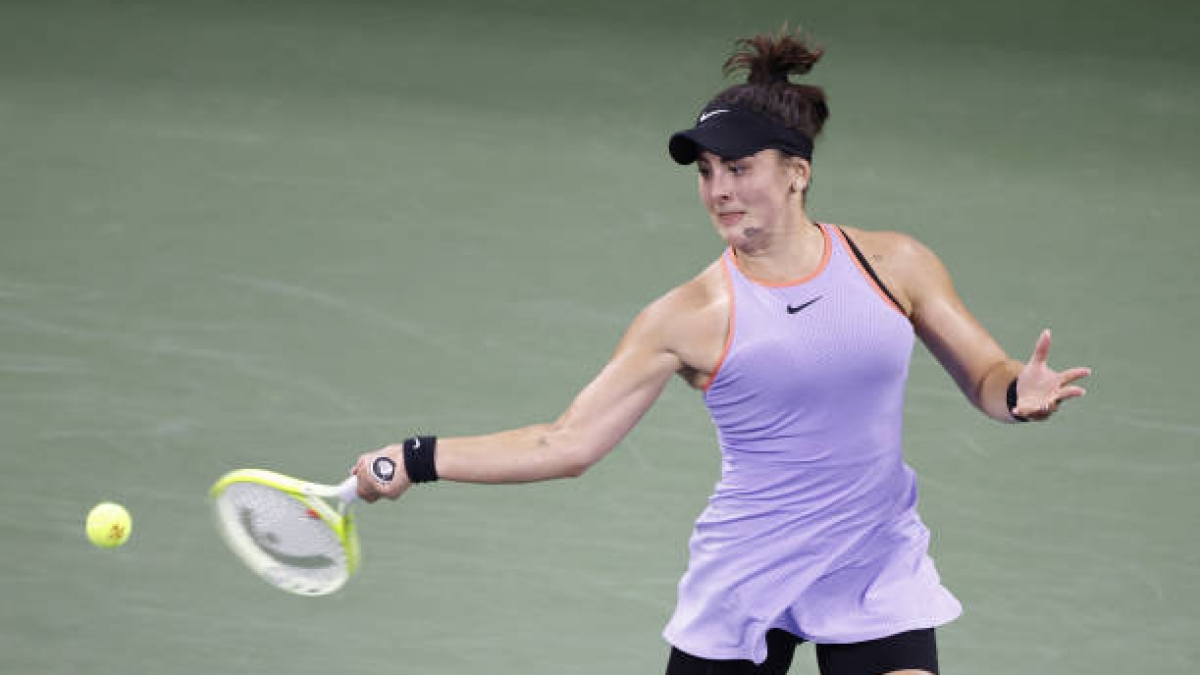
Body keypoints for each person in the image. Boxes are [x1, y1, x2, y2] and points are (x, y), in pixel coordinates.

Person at [351, 28, 1092, 675]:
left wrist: (1017, 396)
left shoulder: (893, 264)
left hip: (873, 560)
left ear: (797, 172)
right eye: (707, 172)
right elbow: (565, 442)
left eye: (739, 169)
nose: (718, 191)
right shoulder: (687, 316)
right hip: (749, 576)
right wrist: (417, 457)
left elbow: (987, 376)